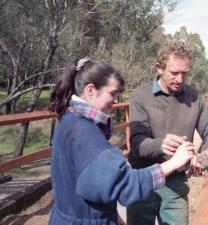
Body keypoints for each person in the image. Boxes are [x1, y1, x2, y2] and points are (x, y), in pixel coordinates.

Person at [48, 57, 194, 225]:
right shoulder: (87, 134)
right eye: (112, 93)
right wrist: (174, 163)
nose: (116, 101)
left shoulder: (68, 121)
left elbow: (90, 185)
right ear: (90, 90)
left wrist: (113, 217)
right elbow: (126, 186)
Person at [127, 40, 208, 225]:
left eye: (184, 73)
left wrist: (204, 156)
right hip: (143, 181)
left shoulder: (194, 97)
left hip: (176, 186)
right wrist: (161, 144)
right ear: (159, 68)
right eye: (174, 73)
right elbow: (137, 143)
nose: (180, 79)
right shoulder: (141, 96)